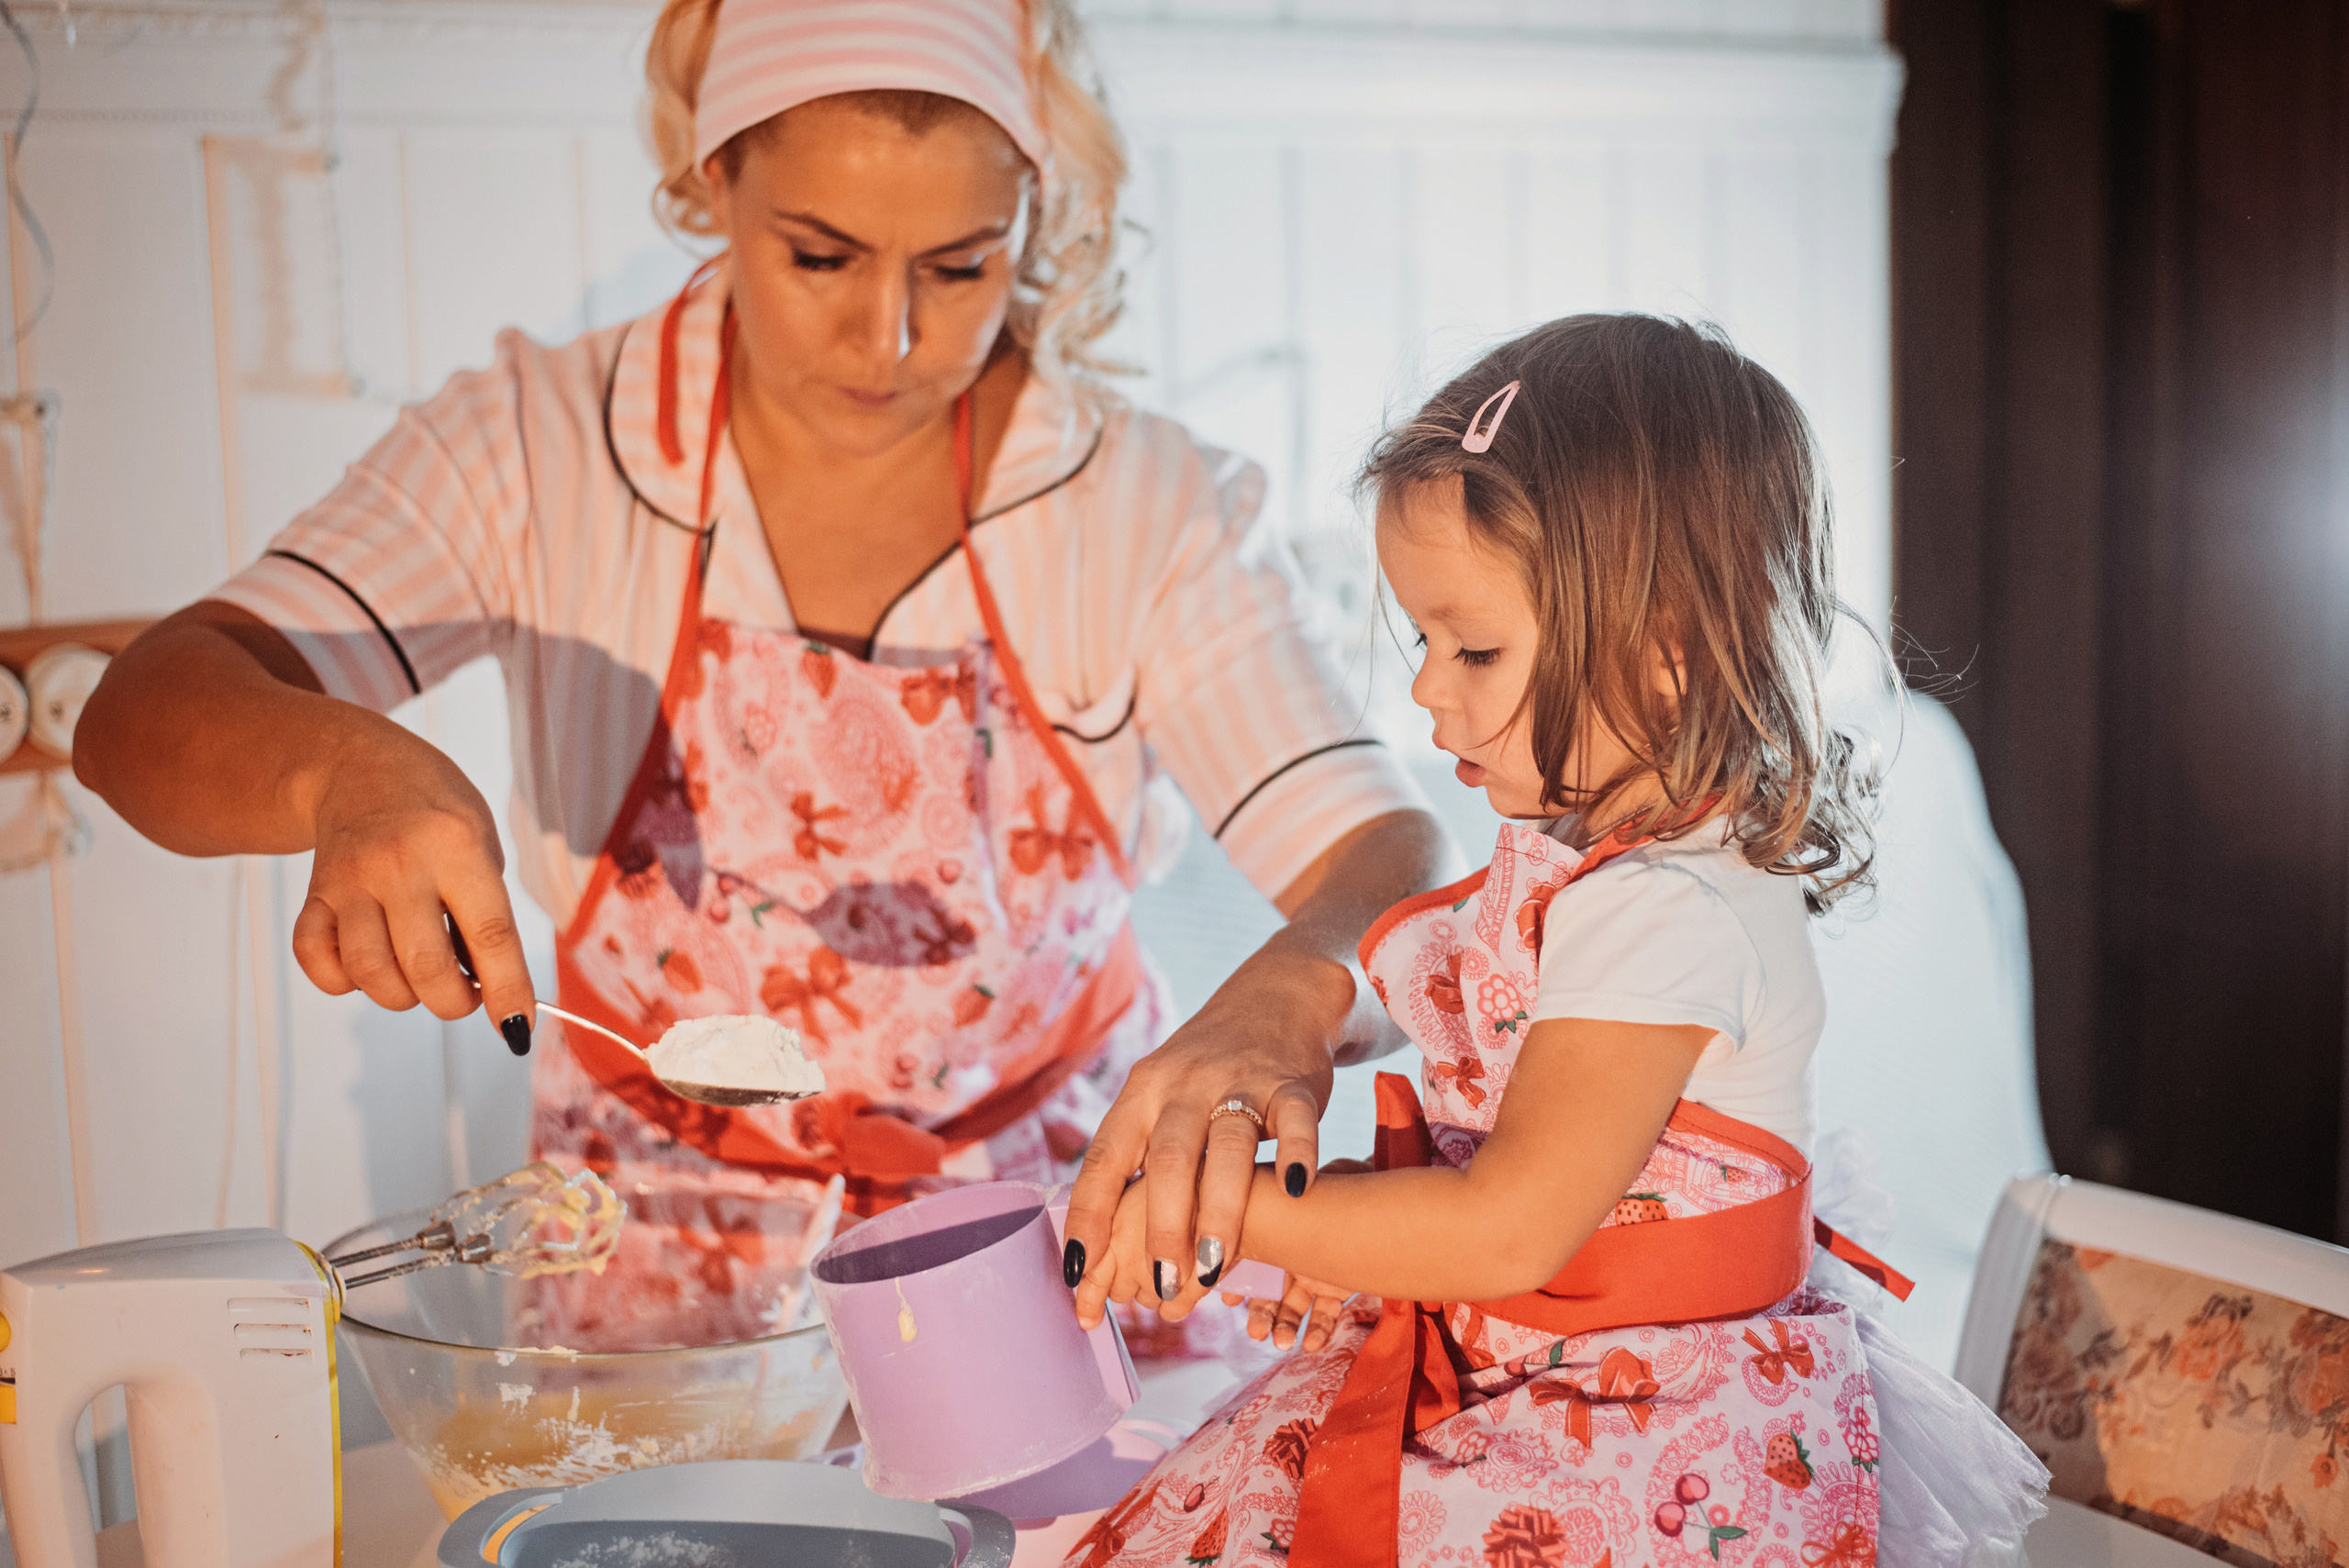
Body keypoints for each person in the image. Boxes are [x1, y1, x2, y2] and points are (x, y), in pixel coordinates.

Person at [71, 0, 1449, 1341]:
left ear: (1033, 215)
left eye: (961, 267)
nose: (890, 340)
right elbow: (141, 711)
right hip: (653, 1272)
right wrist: (342, 768)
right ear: (713, 176)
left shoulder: (1141, 501)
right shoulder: (544, 444)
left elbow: (1385, 853)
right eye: (820, 256)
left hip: (1055, 1259)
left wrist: (1289, 986)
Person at [1068, 316, 2050, 1564]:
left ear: (1668, 656)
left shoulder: (1665, 911)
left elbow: (1507, 1229)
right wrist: (1363, 1222)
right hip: (1563, 1367)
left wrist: (1236, 1216)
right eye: (1425, 642)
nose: (1428, 689)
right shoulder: (1594, 868)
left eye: (1475, 647)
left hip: (1642, 1439)